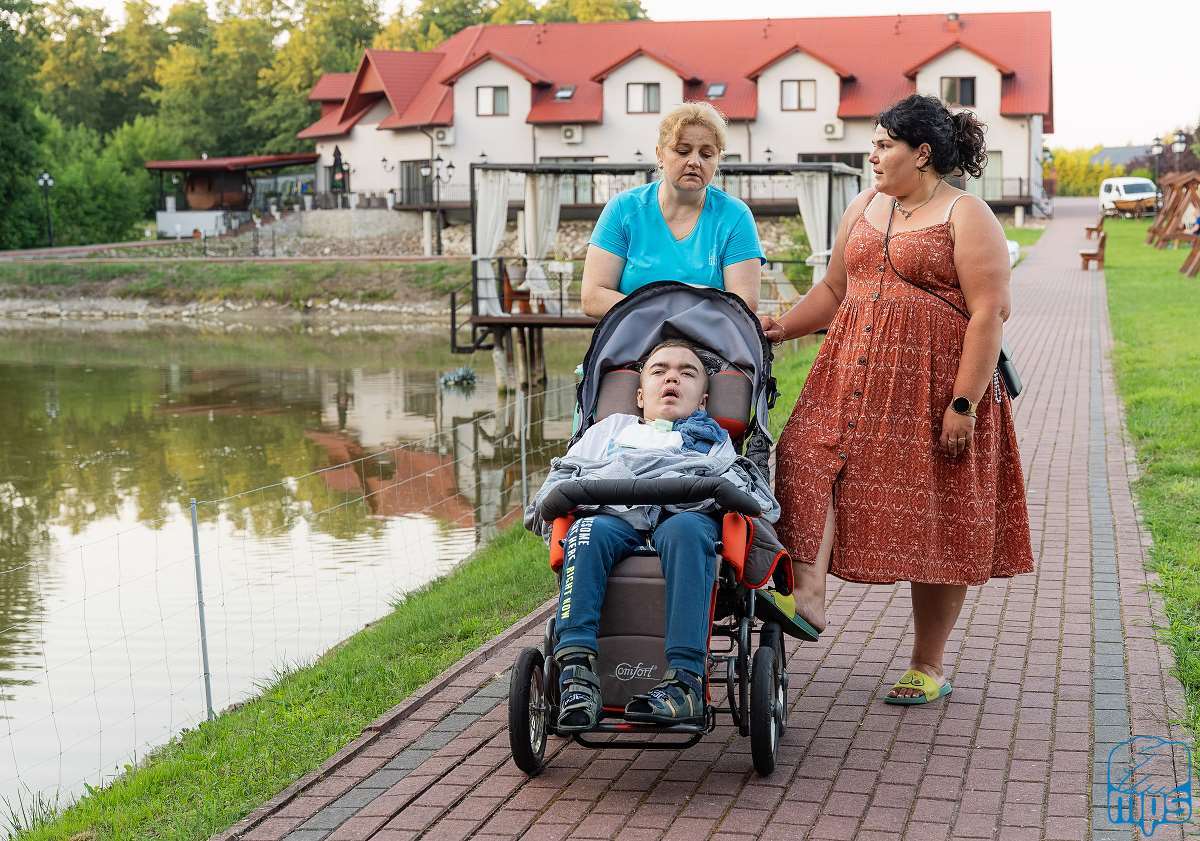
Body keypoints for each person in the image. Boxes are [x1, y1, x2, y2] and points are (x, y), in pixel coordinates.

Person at [760, 94, 1034, 705]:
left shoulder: (967, 214)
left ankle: (927, 665)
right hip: (846, 375)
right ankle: (809, 595)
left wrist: (963, 404)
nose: (874, 156)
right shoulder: (863, 206)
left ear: (923, 153)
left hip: (935, 387)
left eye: (885, 145)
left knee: (935, 512)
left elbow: (990, 313)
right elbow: (835, 288)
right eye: (875, 145)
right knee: (803, 453)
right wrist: (782, 327)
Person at [525, 340, 779, 731]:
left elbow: (740, 487)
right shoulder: (609, 430)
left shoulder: (711, 440)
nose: (672, 378)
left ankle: (685, 681)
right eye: (659, 371)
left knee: (689, 531)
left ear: (703, 400)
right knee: (586, 530)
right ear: (640, 396)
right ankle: (577, 672)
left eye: (687, 373)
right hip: (613, 514)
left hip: (683, 515)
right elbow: (565, 474)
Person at [580, 101, 764, 317]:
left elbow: (743, 305)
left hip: (706, 335)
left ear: (717, 160)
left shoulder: (735, 216)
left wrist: (659, 310)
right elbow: (593, 297)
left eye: (706, 154)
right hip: (635, 333)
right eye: (683, 151)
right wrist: (670, 312)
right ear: (660, 155)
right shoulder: (623, 209)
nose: (694, 162)